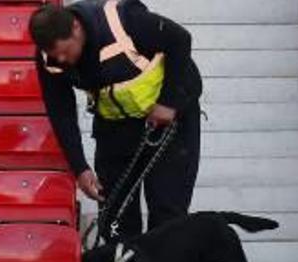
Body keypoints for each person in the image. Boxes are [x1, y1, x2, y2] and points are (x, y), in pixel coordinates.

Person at [29, 0, 203, 239]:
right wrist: (79, 167)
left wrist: (168, 102)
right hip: (115, 125)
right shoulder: (50, 58)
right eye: (54, 54)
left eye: (65, 51)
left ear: (76, 28)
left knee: (167, 212)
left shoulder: (125, 21)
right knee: (115, 216)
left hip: (170, 121)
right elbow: (60, 111)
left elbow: (181, 40)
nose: (62, 59)